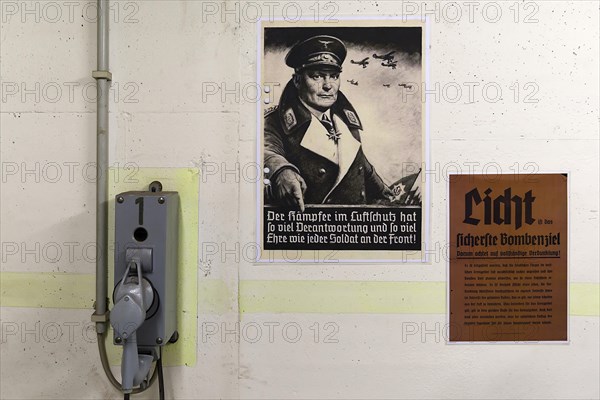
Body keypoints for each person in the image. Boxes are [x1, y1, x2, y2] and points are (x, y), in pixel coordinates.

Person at [264, 35, 393, 211]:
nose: (327, 86)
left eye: (333, 76)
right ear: (297, 80)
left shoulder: (347, 123)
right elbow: (266, 150)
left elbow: (362, 169)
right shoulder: (275, 121)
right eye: (317, 76)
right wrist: (281, 171)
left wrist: (387, 196)